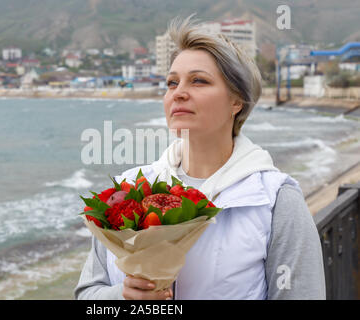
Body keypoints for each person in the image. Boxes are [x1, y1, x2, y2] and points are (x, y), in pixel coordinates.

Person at [74, 15, 326, 300]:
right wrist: (122, 297)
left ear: (236, 101)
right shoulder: (126, 190)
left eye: (198, 81)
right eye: (172, 83)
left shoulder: (275, 200)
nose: (179, 93)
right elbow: (87, 294)